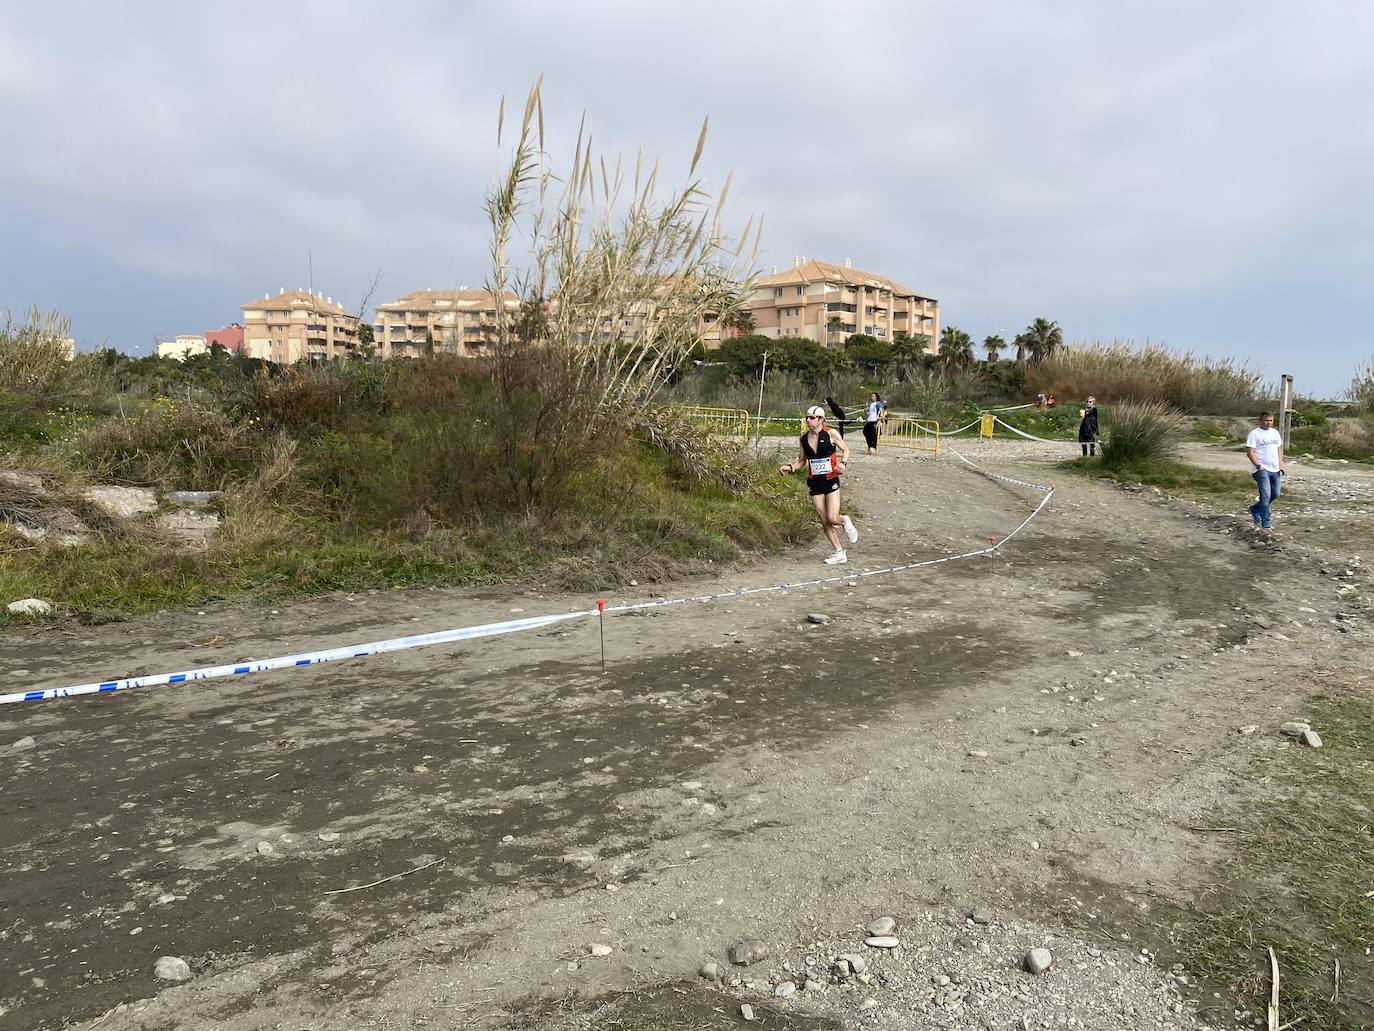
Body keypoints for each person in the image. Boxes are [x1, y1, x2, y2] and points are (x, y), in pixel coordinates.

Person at [779, 405, 859, 564]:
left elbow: (846, 450)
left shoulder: (831, 433)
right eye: (807, 417)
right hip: (814, 483)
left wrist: (843, 464)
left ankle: (845, 521)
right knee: (824, 520)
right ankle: (839, 552)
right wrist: (790, 468)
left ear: (821, 420)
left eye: (812, 418)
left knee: (832, 518)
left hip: (831, 480)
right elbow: (802, 461)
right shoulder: (803, 439)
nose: (808, 420)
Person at [1245, 411, 1286, 530]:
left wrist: (1281, 464)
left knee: (1275, 494)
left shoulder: (1275, 433)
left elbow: (1279, 449)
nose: (1269, 423)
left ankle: (1255, 508)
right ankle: (1266, 522)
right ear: (1260, 421)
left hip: (1275, 468)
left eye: (1271, 420)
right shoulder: (1254, 434)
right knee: (1265, 496)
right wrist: (1257, 464)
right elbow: (1250, 452)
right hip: (1261, 469)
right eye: (1266, 420)